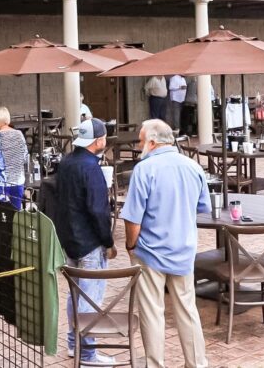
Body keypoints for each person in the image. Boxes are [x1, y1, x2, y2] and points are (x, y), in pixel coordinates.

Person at [121, 119, 209, 368]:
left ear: (152, 141)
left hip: (150, 252)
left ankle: (155, 364)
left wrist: (130, 246)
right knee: (187, 310)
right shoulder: (193, 167)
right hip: (183, 249)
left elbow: (133, 220)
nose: (139, 146)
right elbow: (202, 208)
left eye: (140, 140)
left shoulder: (144, 169)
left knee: (152, 312)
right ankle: (197, 363)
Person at [55, 118, 116, 365]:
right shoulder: (91, 168)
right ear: (98, 141)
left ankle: (73, 343)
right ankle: (88, 353)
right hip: (89, 241)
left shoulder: (67, 162)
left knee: (76, 295)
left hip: (69, 237)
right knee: (90, 298)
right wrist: (108, 241)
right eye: (103, 138)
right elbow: (98, 210)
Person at [0, 107, 29, 208]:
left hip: (1, 183)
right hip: (18, 181)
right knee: (15, 214)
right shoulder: (19, 134)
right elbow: (25, 155)